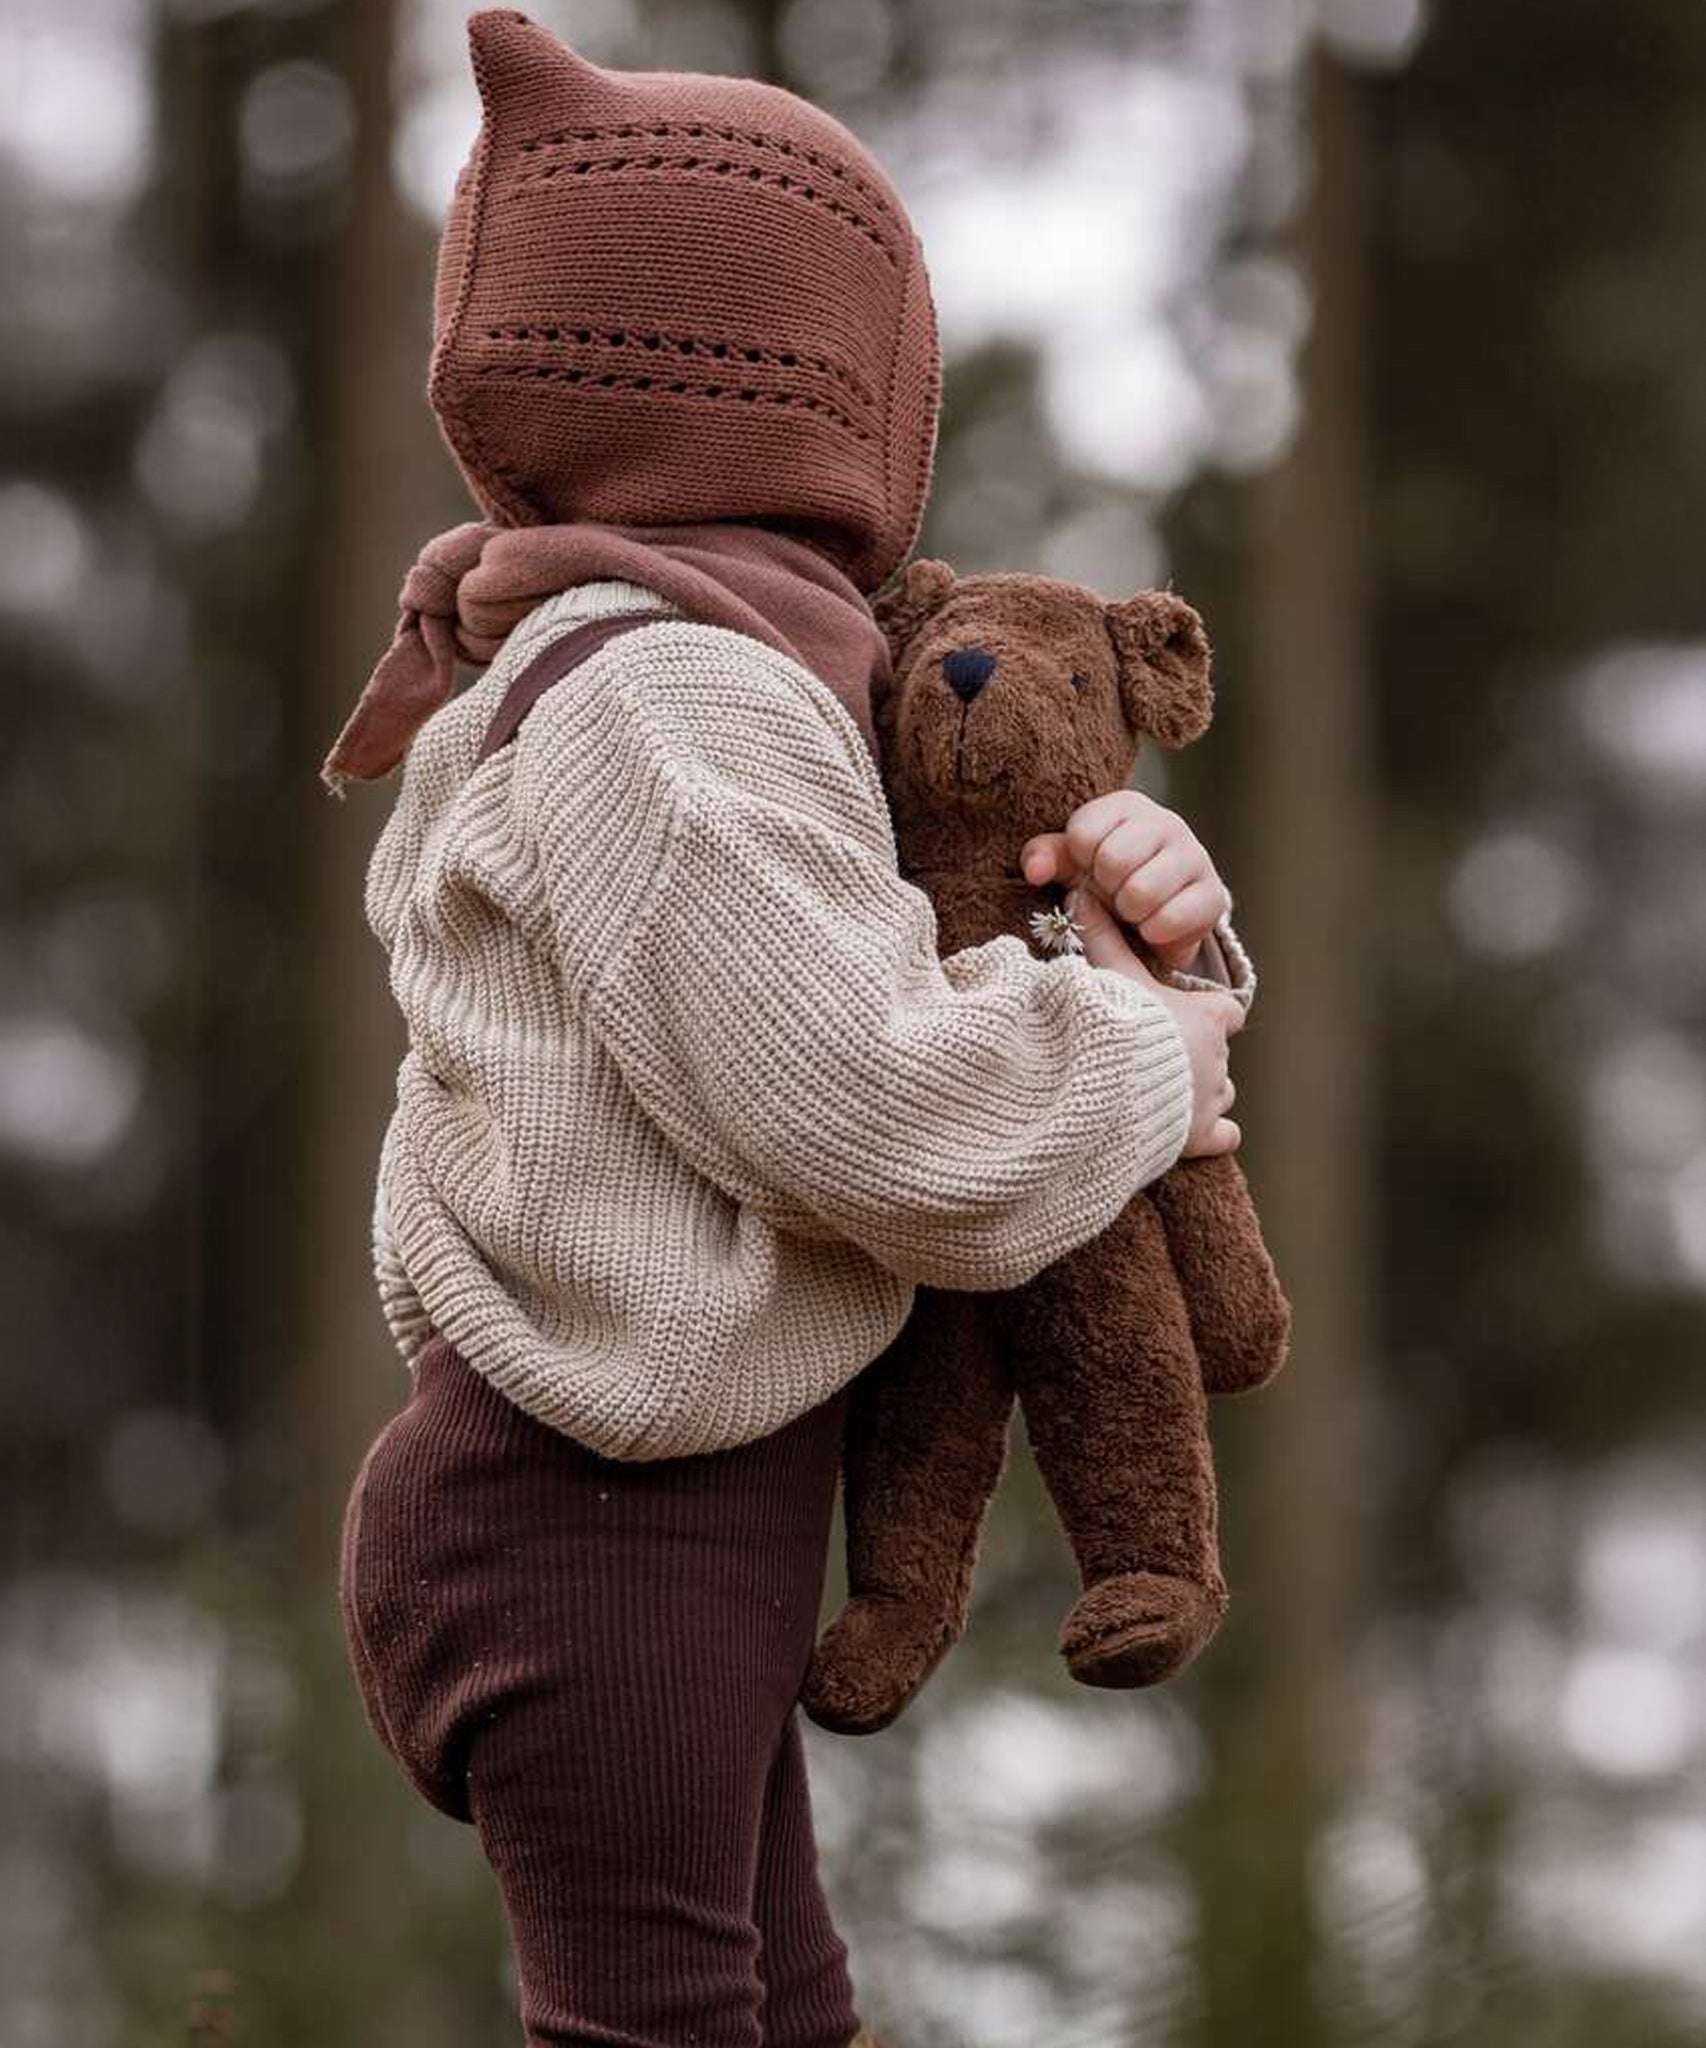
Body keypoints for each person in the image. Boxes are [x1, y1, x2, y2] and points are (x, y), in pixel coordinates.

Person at [323, 12, 1247, 2047]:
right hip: (586, 1514)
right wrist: (1132, 1062)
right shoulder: (676, 696)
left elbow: (895, 968)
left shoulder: (710, 669)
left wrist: (1146, 954)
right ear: (821, 376)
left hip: (661, 1502)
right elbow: (858, 1104)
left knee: (780, 2019)